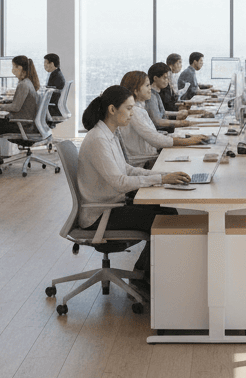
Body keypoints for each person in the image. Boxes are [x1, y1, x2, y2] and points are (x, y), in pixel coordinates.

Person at [78, 85, 190, 290]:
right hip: (101, 214)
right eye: (129, 109)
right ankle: (143, 278)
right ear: (112, 110)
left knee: (167, 211)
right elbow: (120, 182)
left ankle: (144, 273)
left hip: (111, 204)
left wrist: (162, 176)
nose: (132, 113)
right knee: (165, 221)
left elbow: (127, 169)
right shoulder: (98, 139)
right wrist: (161, 180)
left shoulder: (109, 134)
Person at [118, 71, 205, 167]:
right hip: (143, 163)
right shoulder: (134, 112)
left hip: (149, 157)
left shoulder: (139, 108)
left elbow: (152, 135)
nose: (150, 88)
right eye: (147, 85)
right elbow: (155, 139)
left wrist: (182, 138)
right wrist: (188, 141)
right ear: (136, 90)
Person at [0, 55, 42, 171]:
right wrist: (5, 102)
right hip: (26, 123)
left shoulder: (23, 85)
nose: (12, 70)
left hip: (22, 125)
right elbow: (19, 103)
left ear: (20, 68)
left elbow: (15, 107)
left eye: (13, 67)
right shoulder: (28, 82)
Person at [145, 62, 190, 131]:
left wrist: (178, 113)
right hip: (160, 131)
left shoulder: (156, 93)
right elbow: (157, 121)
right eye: (165, 78)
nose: (168, 81)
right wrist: (180, 123)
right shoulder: (151, 96)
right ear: (155, 78)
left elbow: (162, 112)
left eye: (168, 78)